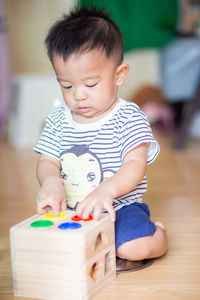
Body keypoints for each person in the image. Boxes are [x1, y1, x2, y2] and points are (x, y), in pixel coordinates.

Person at [34, 6, 167, 263]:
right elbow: (47, 160)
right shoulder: (58, 121)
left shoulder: (128, 117)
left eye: (91, 84)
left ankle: (158, 234)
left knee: (133, 249)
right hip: (73, 211)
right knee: (49, 253)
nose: (79, 95)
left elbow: (134, 165)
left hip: (120, 208)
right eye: (67, 85)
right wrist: (51, 183)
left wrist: (106, 190)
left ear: (119, 75)